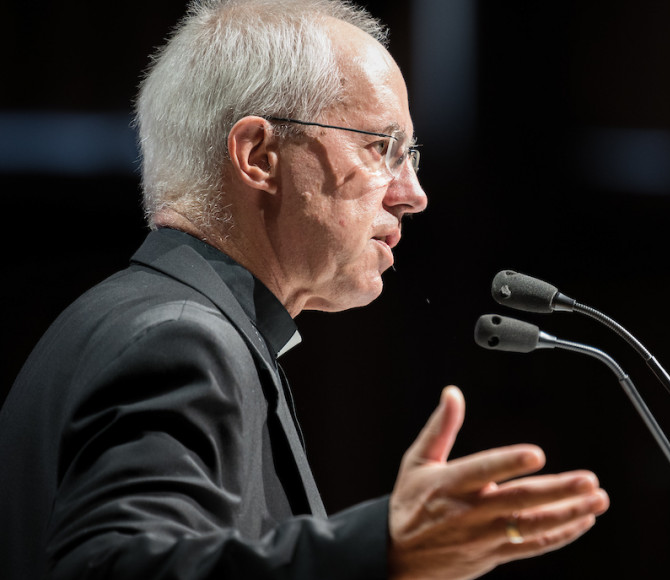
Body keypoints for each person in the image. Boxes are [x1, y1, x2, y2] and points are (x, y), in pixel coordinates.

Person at [0, 1, 609, 578]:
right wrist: (382, 550)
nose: (413, 193)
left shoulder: (135, 320)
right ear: (258, 155)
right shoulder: (180, 341)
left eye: (413, 154)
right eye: (381, 147)